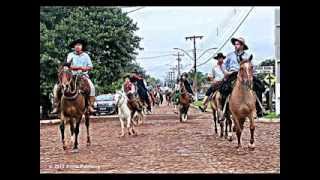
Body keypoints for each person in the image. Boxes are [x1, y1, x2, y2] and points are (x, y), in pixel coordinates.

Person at [219, 37, 265, 117]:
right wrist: (226, 73)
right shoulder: (230, 55)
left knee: (259, 86)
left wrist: (250, 75)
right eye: (235, 44)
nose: (236, 46)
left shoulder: (247, 56)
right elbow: (224, 66)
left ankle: (259, 110)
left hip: (246, 74)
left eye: (238, 44)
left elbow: (251, 66)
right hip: (233, 74)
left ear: (242, 46)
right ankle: (225, 110)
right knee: (224, 89)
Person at [51, 39, 96, 114]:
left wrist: (85, 68)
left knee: (92, 87)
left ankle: (89, 105)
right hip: (71, 75)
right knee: (57, 87)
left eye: (79, 45)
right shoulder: (70, 55)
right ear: (74, 47)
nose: (78, 47)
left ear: (82, 47)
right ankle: (57, 105)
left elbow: (91, 66)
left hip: (83, 76)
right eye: (76, 45)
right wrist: (79, 68)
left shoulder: (86, 55)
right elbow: (68, 66)